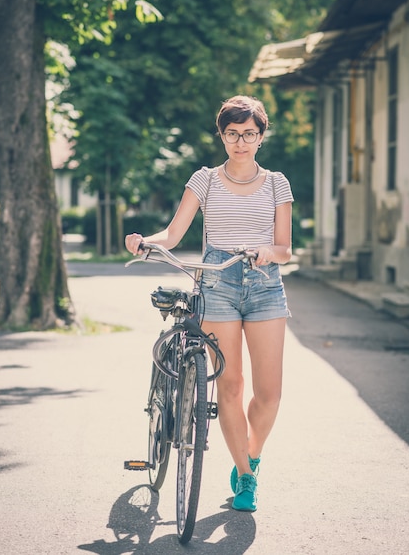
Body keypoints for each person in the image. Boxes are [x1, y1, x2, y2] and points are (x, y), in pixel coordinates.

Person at [125, 95, 293, 512]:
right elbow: (174, 233)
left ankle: (249, 456)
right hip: (217, 281)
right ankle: (247, 479)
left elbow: (285, 248)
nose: (241, 142)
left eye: (249, 134)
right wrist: (146, 241)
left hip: (264, 282)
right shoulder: (205, 179)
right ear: (221, 135)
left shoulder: (277, 183)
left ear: (261, 136)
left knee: (269, 394)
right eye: (233, 134)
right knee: (230, 385)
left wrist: (264, 251)